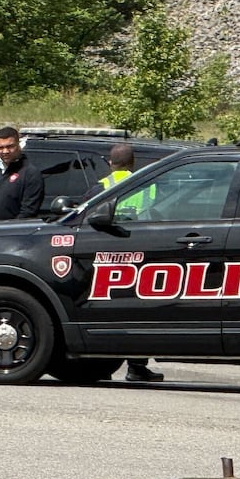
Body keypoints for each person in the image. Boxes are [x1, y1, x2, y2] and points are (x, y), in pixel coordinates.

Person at [93, 141, 164, 384]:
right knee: (137, 312)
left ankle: (99, 364)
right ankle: (136, 366)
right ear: (133, 163)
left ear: (110, 163)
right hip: (138, 254)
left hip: (106, 256)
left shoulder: (101, 186)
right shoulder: (148, 187)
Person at [0, 126, 45, 221]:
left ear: (18, 146)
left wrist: (6, 232)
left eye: (10, 147)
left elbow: (28, 213)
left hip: (11, 233)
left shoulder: (30, 174)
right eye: (0, 148)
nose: (5, 151)